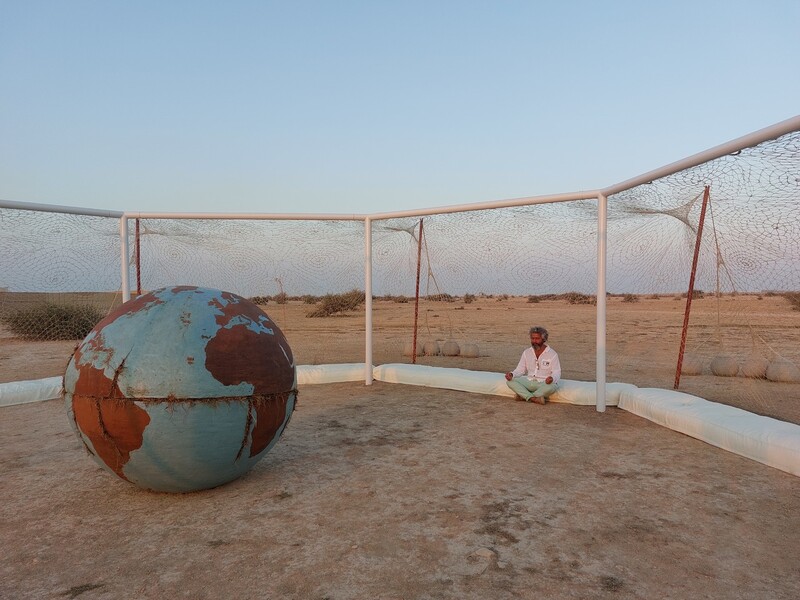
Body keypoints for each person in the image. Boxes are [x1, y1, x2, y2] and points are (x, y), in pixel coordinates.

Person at [505, 326, 561, 404]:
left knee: (552, 387)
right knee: (510, 382)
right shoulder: (526, 352)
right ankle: (533, 398)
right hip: (529, 381)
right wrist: (512, 374)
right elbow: (520, 370)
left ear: (544, 339)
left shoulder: (552, 354)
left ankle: (524, 396)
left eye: (537, 339)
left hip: (544, 383)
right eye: (532, 338)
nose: (534, 341)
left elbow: (557, 372)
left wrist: (552, 378)